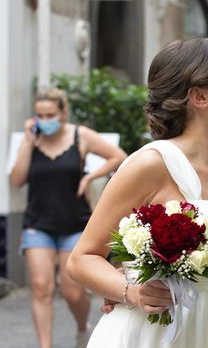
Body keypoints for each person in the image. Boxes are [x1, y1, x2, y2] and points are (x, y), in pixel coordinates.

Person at [67, 38, 208, 347]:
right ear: (200, 96)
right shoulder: (152, 163)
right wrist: (129, 290)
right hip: (156, 334)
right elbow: (81, 259)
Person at [9, 87, 127, 348]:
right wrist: (28, 143)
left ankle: (81, 326)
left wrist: (89, 176)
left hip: (75, 222)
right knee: (41, 287)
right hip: (37, 224)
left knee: (73, 292)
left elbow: (119, 157)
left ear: (63, 113)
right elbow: (16, 180)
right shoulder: (31, 141)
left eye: (50, 113)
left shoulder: (79, 135)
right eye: (39, 114)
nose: (44, 119)